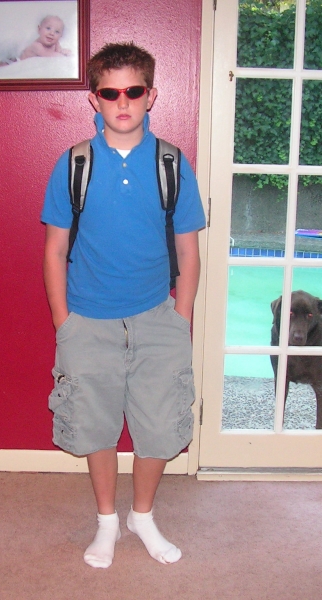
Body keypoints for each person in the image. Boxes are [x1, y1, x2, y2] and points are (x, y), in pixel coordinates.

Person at [41, 42, 206, 568]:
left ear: (151, 95)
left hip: (158, 319)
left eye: (133, 90)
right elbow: (54, 250)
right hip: (88, 322)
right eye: (110, 93)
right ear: (95, 100)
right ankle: (107, 522)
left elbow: (188, 250)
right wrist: (64, 324)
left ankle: (144, 516)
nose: (123, 102)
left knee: (159, 427)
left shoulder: (171, 164)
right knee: (95, 425)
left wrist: (181, 318)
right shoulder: (75, 165)